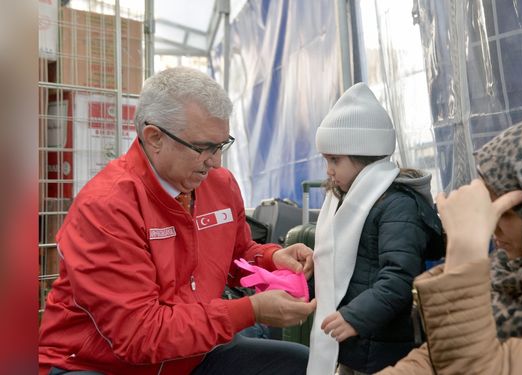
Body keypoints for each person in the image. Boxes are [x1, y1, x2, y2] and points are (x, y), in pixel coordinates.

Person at [39, 67, 317, 375]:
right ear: (154, 137)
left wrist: (272, 258)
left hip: (190, 354)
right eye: (203, 148)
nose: (215, 161)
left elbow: (236, 252)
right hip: (100, 364)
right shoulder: (107, 208)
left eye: (222, 144)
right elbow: (139, 336)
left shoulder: (219, 184)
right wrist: (249, 311)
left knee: (300, 365)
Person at [378, 113, 522, 374]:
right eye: (487, 207)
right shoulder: (514, 270)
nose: (491, 226)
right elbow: (437, 358)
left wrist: (464, 257)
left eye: (505, 212)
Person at [307, 83, 445, 375]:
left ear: (364, 157)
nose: (328, 170)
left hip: (383, 349)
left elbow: (399, 278)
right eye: (326, 160)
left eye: (335, 160)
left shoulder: (397, 205)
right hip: (354, 343)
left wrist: (355, 317)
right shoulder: (344, 202)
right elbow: (338, 269)